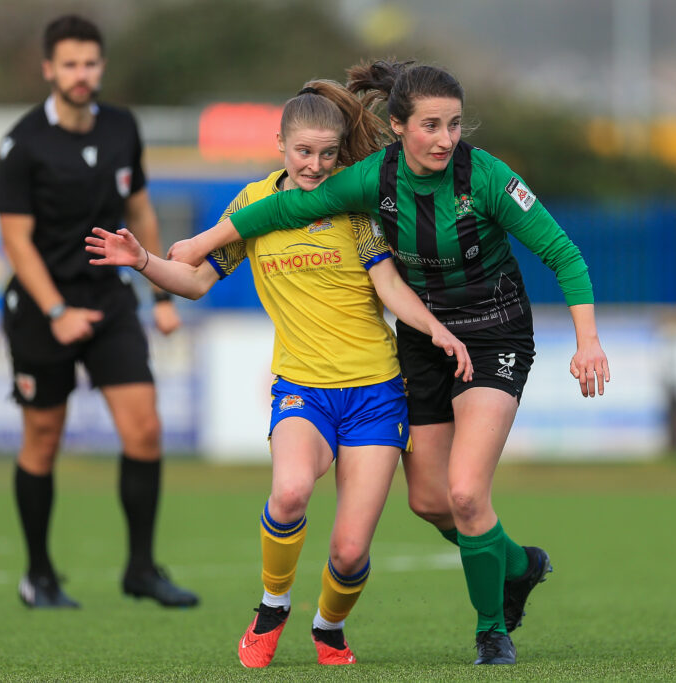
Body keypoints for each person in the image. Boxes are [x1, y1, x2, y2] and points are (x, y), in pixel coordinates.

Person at [168, 59, 611, 665]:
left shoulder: (485, 177)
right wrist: (196, 245)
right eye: (430, 125)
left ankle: (491, 633)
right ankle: (520, 564)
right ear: (398, 126)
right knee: (427, 500)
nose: (445, 139)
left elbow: (564, 254)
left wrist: (588, 341)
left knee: (463, 493)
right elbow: (280, 211)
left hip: (493, 336)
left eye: (454, 125)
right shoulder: (372, 180)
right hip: (422, 341)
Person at [86, 80, 473, 666]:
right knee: (290, 492)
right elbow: (193, 281)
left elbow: (389, 285)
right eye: (303, 152)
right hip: (303, 389)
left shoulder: (352, 203)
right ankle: (273, 606)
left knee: (347, 551)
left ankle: (328, 627)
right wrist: (143, 261)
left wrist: (435, 328)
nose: (316, 165)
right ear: (281, 146)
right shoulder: (252, 205)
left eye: (327, 153)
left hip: (375, 392)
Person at [0, 15, 197, 609]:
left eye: (90, 63)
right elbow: (16, 241)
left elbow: (140, 208)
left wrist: (158, 293)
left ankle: (141, 570)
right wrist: (56, 309)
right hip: (41, 308)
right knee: (43, 439)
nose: (82, 75)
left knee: (146, 430)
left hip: (110, 301)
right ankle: (40, 576)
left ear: (100, 67)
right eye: (70, 64)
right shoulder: (22, 142)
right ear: (49, 69)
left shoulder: (122, 128)